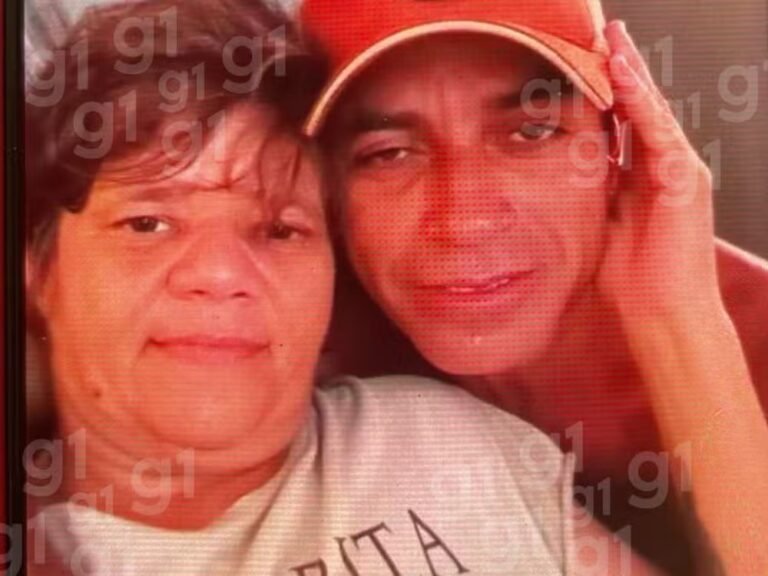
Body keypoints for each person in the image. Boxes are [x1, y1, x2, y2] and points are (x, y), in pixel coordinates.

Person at [22, 1, 658, 574]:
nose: (220, 273)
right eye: (147, 223)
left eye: (280, 229)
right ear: (37, 268)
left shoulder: (442, 435)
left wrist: (681, 309)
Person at [303, 0, 768, 573]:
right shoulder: (298, 353)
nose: (464, 219)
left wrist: (677, 324)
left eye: (532, 131)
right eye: (388, 153)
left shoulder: (757, 332)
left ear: (621, 145)